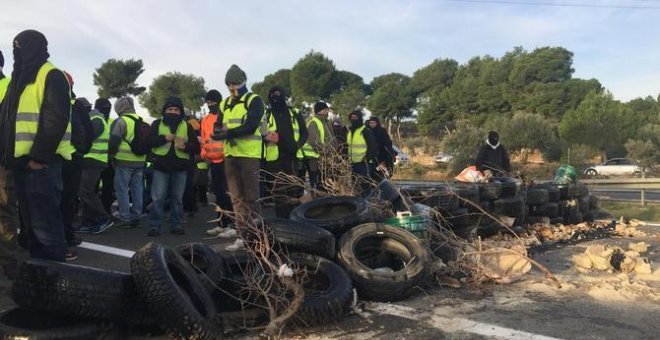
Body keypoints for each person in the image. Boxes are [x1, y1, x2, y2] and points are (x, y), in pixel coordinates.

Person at [0, 30, 72, 262]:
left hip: (40, 165)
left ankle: (53, 280)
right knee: (31, 227)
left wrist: (38, 158)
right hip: (21, 164)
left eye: (23, 45)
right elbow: (7, 119)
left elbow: (55, 119)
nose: (18, 51)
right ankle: (40, 278)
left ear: (37, 46)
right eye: (15, 47)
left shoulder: (51, 74)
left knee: (46, 227)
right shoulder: (19, 78)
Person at [211, 65, 265, 251]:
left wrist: (227, 133)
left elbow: (251, 126)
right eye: (229, 84)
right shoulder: (224, 103)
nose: (232, 86)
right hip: (231, 155)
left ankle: (256, 237)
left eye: (235, 82)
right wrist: (218, 133)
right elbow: (218, 126)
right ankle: (243, 236)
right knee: (237, 199)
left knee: (251, 198)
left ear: (243, 81)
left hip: (249, 155)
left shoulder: (254, 100)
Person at [146, 97, 200, 237]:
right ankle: (154, 226)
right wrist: (165, 138)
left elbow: (197, 148)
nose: (173, 112)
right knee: (158, 199)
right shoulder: (157, 124)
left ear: (180, 111)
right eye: (170, 109)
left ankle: (177, 224)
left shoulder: (186, 126)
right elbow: (149, 142)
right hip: (161, 167)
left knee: (177, 199)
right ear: (164, 110)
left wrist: (185, 146)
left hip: (180, 168)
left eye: (176, 110)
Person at [262, 86, 308, 218]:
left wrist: (297, 145)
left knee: (293, 190)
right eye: (271, 95)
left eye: (277, 94)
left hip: (293, 157)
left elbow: (304, 133)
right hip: (275, 159)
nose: (274, 97)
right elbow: (260, 134)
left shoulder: (294, 112)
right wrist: (266, 137)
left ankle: (294, 219)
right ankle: (282, 222)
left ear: (283, 95)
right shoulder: (266, 115)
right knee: (279, 192)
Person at [76, 98, 114, 234]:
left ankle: (103, 218)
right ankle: (88, 220)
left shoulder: (95, 119)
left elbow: (87, 137)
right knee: (84, 191)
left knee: (86, 191)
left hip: (94, 160)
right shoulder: (95, 118)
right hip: (91, 160)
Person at [201, 89, 234, 237]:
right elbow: (203, 139)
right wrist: (204, 154)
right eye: (208, 103)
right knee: (219, 195)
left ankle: (232, 225)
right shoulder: (205, 120)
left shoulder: (227, 116)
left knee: (228, 194)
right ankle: (221, 224)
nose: (210, 105)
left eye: (213, 102)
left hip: (227, 159)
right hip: (213, 161)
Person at [108, 96, 145, 228]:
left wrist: (111, 156)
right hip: (140, 161)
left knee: (122, 190)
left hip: (124, 161)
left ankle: (125, 218)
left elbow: (113, 142)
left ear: (119, 108)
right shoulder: (141, 121)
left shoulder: (121, 122)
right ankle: (137, 216)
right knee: (138, 189)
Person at [301, 101, 332, 193]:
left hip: (322, 157)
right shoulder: (314, 122)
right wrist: (325, 151)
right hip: (313, 158)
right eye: (325, 109)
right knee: (315, 181)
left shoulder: (326, 122)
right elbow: (313, 141)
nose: (328, 111)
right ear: (320, 110)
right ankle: (314, 199)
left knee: (322, 181)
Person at [347, 110, 378, 195]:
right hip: (352, 163)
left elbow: (372, 146)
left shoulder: (365, 131)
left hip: (364, 163)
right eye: (352, 118)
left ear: (360, 118)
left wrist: (367, 158)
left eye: (355, 117)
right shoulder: (350, 132)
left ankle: (367, 204)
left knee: (365, 186)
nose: (353, 119)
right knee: (355, 186)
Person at [367, 116, 397, 181]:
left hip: (381, 154)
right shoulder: (367, 131)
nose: (372, 124)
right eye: (371, 123)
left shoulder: (382, 131)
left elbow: (388, 143)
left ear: (377, 123)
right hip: (370, 155)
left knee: (382, 169)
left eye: (374, 123)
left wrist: (392, 154)